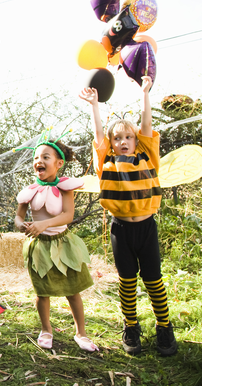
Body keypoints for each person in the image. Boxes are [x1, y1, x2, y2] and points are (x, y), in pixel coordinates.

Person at [79, 76, 178, 356]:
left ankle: (164, 326)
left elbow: (146, 126)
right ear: (111, 143)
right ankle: (131, 326)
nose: (124, 141)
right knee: (127, 280)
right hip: (121, 229)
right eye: (118, 138)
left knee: (154, 279)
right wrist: (94, 106)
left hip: (146, 228)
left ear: (136, 141)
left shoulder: (148, 157)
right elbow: (99, 135)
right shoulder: (106, 163)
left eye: (128, 137)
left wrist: (145, 93)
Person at [14, 131, 98, 352]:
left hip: (63, 244)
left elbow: (68, 216)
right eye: (35, 158)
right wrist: (21, 224)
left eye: (45, 157)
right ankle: (46, 329)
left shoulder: (65, 187)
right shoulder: (29, 191)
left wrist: (44, 224)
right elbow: (18, 216)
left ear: (59, 163)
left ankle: (81, 333)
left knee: (73, 290)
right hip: (39, 246)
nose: (38, 161)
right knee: (42, 293)